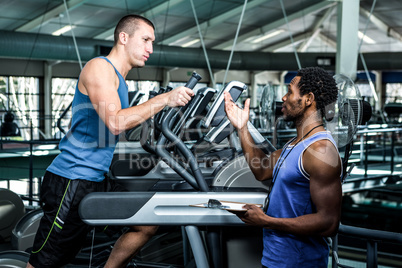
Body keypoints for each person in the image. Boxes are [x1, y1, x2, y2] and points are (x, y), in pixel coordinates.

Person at [27, 14, 194, 268]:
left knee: (146, 223)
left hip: (96, 180)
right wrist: (165, 99)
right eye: (146, 39)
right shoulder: (99, 68)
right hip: (72, 181)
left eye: (153, 42)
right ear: (123, 37)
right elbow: (115, 122)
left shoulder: (119, 80)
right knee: (45, 263)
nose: (151, 48)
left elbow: (118, 127)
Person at [224, 66, 342, 267]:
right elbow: (261, 169)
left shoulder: (321, 150)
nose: (284, 98)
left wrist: (267, 221)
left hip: (300, 263)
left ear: (308, 99)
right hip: (275, 259)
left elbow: (329, 223)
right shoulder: (294, 144)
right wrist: (242, 128)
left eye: (290, 92)